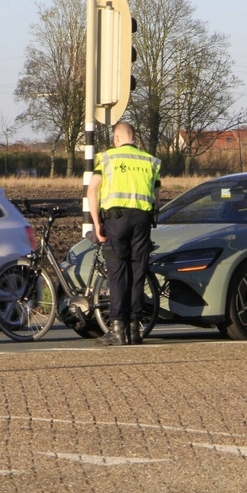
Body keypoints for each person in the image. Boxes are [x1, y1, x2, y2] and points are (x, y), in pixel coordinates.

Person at [87, 121, 161, 346]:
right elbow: (157, 198)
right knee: (138, 273)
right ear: (134, 137)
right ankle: (135, 329)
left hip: (116, 220)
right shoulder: (149, 161)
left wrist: (96, 224)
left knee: (118, 273)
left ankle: (117, 329)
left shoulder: (108, 158)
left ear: (116, 138)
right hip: (142, 221)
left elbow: (92, 190)